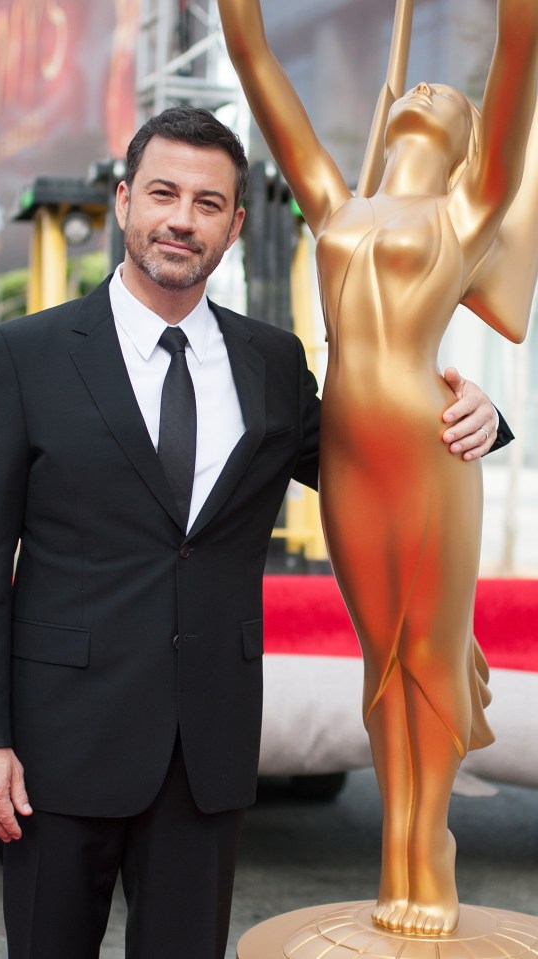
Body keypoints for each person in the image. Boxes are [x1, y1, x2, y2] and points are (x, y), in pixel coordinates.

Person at [0, 105, 510, 959]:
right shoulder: (26, 354)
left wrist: (480, 415)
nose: (182, 218)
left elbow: (363, 455)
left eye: (208, 203)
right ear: (126, 202)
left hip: (204, 759)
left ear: (235, 226)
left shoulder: (272, 364)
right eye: (163, 193)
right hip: (58, 754)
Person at [218, 0, 538, 938]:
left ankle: (424, 846)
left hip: (434, 457)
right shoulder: (333, 201)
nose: (434, 85)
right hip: (349, 463)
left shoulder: (469, 207)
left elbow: (516, 46)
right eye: (422, 85)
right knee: (382, 662)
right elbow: (255, 60)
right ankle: (395, 846)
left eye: (453, 96)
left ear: (465, 140)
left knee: (430, 655)